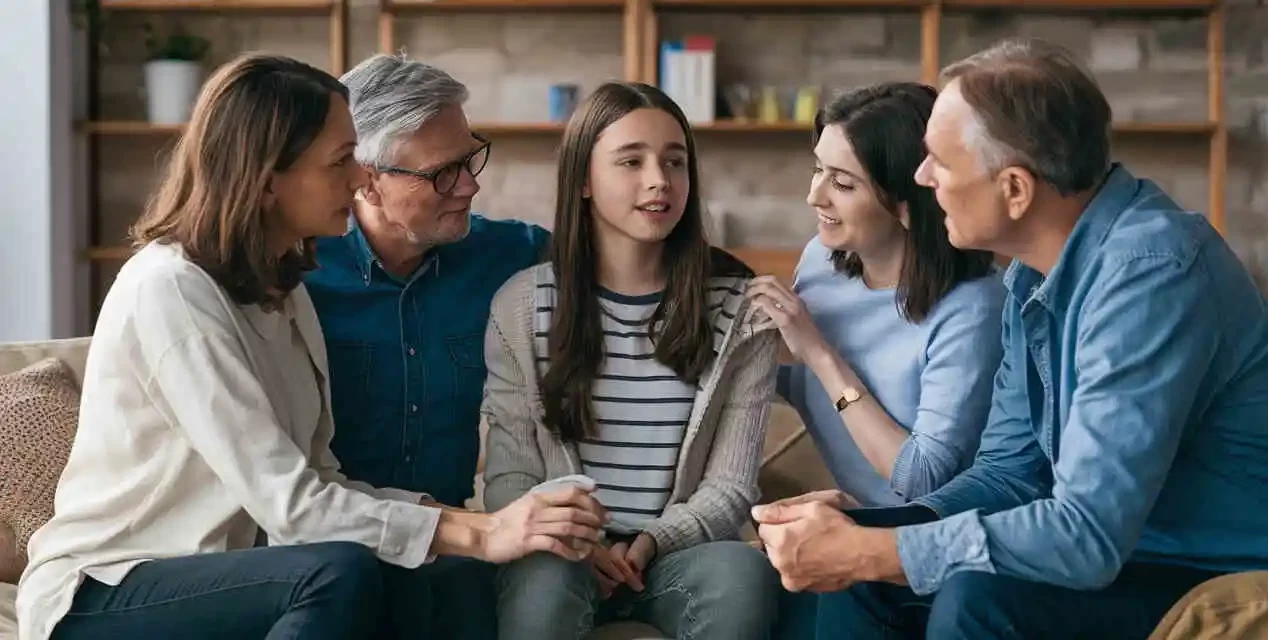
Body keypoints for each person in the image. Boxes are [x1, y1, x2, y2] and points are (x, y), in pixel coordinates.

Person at [15, 53, 605, 640]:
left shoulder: (282, 287)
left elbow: (325, 479)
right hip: (112, 587)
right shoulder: (171, 289)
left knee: (429, 585)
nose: (358, 179)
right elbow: (292, 509)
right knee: (335, 571)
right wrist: (483, 534)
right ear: (270, 178)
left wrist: (489, 526)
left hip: (235, 575)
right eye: (342, 161)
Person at [753, 37, 1268, 640]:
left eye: (940, 164)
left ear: (1015, 190)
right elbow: (1007, 473)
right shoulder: (1032, 271)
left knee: (976, 598)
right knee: (865, 578)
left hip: (1208, 565)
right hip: (1124, 557)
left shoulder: (1150, 274)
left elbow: (1087, 533)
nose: (921, 179)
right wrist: (884, 528)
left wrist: (877, 549)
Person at [481, 81, 782, 640]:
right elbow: (512, 476)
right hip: (560, 552)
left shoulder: (741, 308)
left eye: (675, 161)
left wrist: (651, 543)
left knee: (743, 574)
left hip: (680, 552)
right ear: (583, 182)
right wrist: (579, 541)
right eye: (631, 161)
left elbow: (732, 486)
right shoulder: (523, 305)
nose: (659, 181)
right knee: (541, 587)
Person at [301, 53, 549, 638]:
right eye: (444, 172)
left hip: (450, 552)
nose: (470, 185)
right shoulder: (294, 276)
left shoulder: (505, 254)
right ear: (364, 177)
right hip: (331, 554)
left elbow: (622, 258)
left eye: (469, 159)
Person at [749, 82, 1004, 511]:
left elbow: (922, 480)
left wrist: (818, 352)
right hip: (852, 523)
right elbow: (811, 389)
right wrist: (730, 352)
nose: (815, 196)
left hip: (938, 538)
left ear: (909, 202)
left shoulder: (975, 308)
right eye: (818, 170)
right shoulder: (822, 260)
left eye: (843, 184)